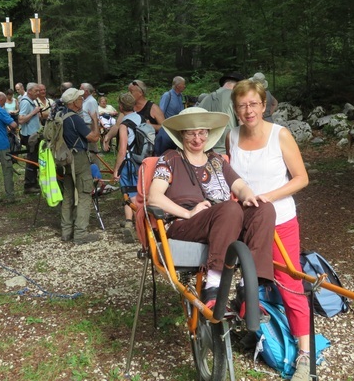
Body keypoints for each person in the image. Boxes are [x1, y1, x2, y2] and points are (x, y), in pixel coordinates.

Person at [147, 107, 275, 309]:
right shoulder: (170, 159)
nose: (198, 139)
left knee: (264, 209)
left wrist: (249, 196)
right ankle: (213, 285)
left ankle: (248, 288)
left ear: (208, 133)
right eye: (191, 133)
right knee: (230, 209)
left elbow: (239, 186)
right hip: (186, 223)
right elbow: (154, 197)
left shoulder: (216, 160)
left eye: (202, 132)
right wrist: (188, 212)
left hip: (223, 219)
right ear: (182, 134)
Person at [227, 79, 310, 381]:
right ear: (235, 109)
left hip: (280, 220)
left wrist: (268, 197)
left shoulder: (280, 135)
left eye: (253, 104)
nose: (248, 110)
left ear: (263, 105)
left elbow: (301, 178)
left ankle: (304, 353)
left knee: (289, 283)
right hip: (245, 221)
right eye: (241, 106)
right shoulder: (231, 136)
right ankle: (252, 326)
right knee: (248, 276)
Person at [59, 87, 101, 245]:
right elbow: (94, 138)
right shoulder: (75, 118)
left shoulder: (59, 115)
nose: (82, 100)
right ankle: (80, 234)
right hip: (78, 158)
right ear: (73, 103)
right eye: (79, 98)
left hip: (64, 159)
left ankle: (66, 231)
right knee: (84, 194)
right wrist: (95, 121)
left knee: (68, 194)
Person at [102, 79, 165, 152]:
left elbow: (165, 128)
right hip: (128, 153)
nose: (128, 94)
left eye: (131, 91)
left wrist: (151, 126)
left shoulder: (153, 108)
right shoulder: (127, 107)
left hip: (147, 152)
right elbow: (117, 125)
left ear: (140, 92)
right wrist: (107, 137)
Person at [112, 92, 141, 244]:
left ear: (121, 106)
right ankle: (135, 222)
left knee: (129, 192)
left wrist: (117, 168)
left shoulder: (125, 124)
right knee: (139, 191)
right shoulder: (141, 118)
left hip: (129, 162)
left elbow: (122, 149)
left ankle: (132, 224)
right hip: (142, 161)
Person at [198, 72, 244, 154]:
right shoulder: (236, 98)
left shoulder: (206, 99)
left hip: (205, 151)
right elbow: (243, 126)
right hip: (228, 151)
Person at [18, 82, 42, 194]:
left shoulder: (31, 101)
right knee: (31, 159)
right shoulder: (25, 102)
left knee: (35, 159)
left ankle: (34, 181)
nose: (38, 93)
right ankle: (29, 185)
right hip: (29, 136)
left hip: (34, 134)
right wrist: (34, 112)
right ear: (29, 91)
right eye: (36, 91)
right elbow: (21, 120)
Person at [79, 83, 101, 167]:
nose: (79, 90)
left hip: (89, 126)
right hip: (84, 125)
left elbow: (94, 117)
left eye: (81, 88)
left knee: (92, 150)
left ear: (86, 91)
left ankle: (96, 170)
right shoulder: (84, 100)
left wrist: (94, 131)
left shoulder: (91, 101)